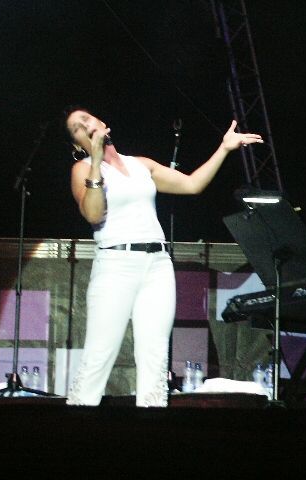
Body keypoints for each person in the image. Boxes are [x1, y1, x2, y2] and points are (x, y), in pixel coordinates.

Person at [63, 106, 263, 407]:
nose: (85, 125)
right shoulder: (83, 169)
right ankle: (77, 421)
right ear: (77, 144)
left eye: (86, 118)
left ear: (102, 121)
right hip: (116, 264)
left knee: (155, 356)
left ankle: (152, 421)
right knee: (99, 354)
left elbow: (192, 184)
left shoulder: (140, 164)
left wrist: (224, 148)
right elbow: (93, 213)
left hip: (157, 264)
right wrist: (95, 161)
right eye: (77, 127)